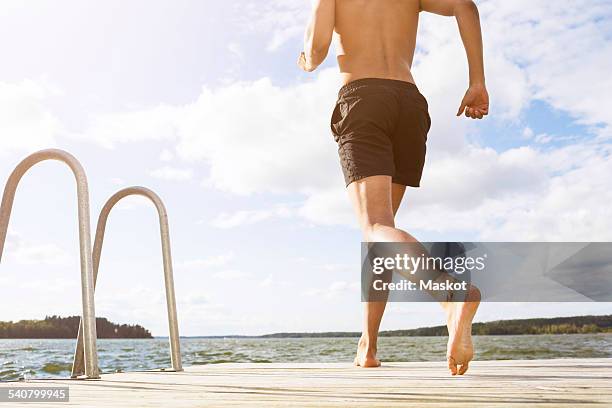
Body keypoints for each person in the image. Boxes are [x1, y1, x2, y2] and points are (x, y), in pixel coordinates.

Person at [298, 0, 489, 376]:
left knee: (375, 228)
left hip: (364, 99)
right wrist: (477, 81)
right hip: (409, 103)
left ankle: (449, 293)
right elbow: (466, 6)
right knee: (380, 235)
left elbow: (317, 51)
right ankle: (368, 346)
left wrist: (304, 57)